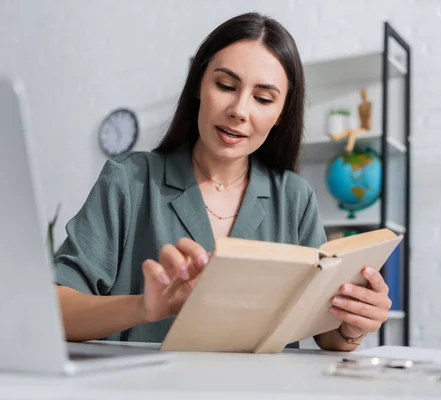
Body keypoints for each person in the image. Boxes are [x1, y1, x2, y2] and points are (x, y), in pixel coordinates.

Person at [53, 12, 392, 352]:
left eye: (263, 99)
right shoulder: (129, 181)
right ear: (199, 85)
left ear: (281, 114)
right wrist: (143, 307)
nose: (239, 110)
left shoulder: (293, 197)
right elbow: (53, 308)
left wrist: (353, 322)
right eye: (226, 86)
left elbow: (326, 333)